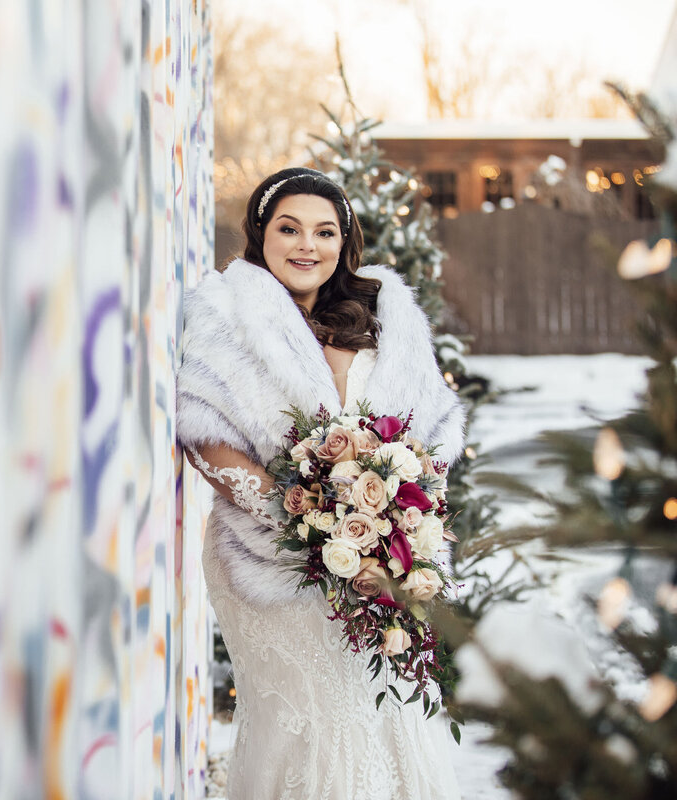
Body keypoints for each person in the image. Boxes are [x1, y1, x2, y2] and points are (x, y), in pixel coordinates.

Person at [177, 167, 465, 799]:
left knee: (386, 717)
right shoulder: (226, 312)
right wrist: (308, 521)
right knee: (307, 722)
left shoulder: (385, 319)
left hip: (378, 559)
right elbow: (204, 438)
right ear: (261, 234)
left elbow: (433, 437)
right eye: (289, 228)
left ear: (345, 242)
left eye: (324, 231)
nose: (307, 245)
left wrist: (396, 525)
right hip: (267, 560)